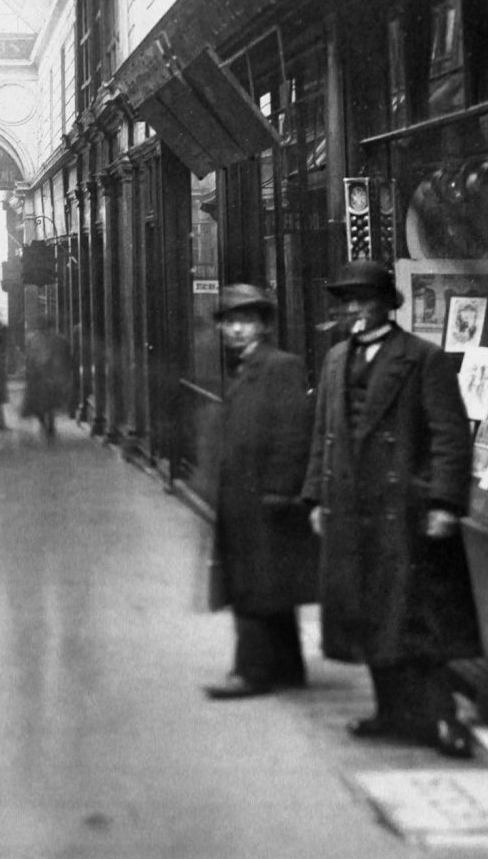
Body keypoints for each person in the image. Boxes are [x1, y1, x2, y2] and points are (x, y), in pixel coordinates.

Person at [301, 260, 480, 758]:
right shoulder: (336, 359)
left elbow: (449, 436)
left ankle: (441, 718)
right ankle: (391, 713)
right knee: (370, 614)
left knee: (418, 618)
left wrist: (444, 501)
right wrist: (316, 496)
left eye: (365, 300)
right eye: (348, 301)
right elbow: (324, 435)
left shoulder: (422, 358)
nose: (355, 310)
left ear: (388, 304)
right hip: (350, 506)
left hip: (403, 509)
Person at [204, 284, 319, 699]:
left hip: (263, 498)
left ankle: (251, 671)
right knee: (271, 583)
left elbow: (293, 432)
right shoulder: (249, 367)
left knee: (252, 585)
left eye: (245, 321)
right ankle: (288, 667)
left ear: (264, 325)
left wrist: (280, 489)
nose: (235, 330)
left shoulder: (279, 366)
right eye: (229, 322)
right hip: (248, 495)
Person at [21, 314, 73, 438]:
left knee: (45, 403)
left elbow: (66, 356)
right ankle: (47, 424)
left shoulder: (37, 339)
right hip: (45, 375)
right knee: (45, 403)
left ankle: (47, 424)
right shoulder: (36, 339)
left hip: (45, 375)